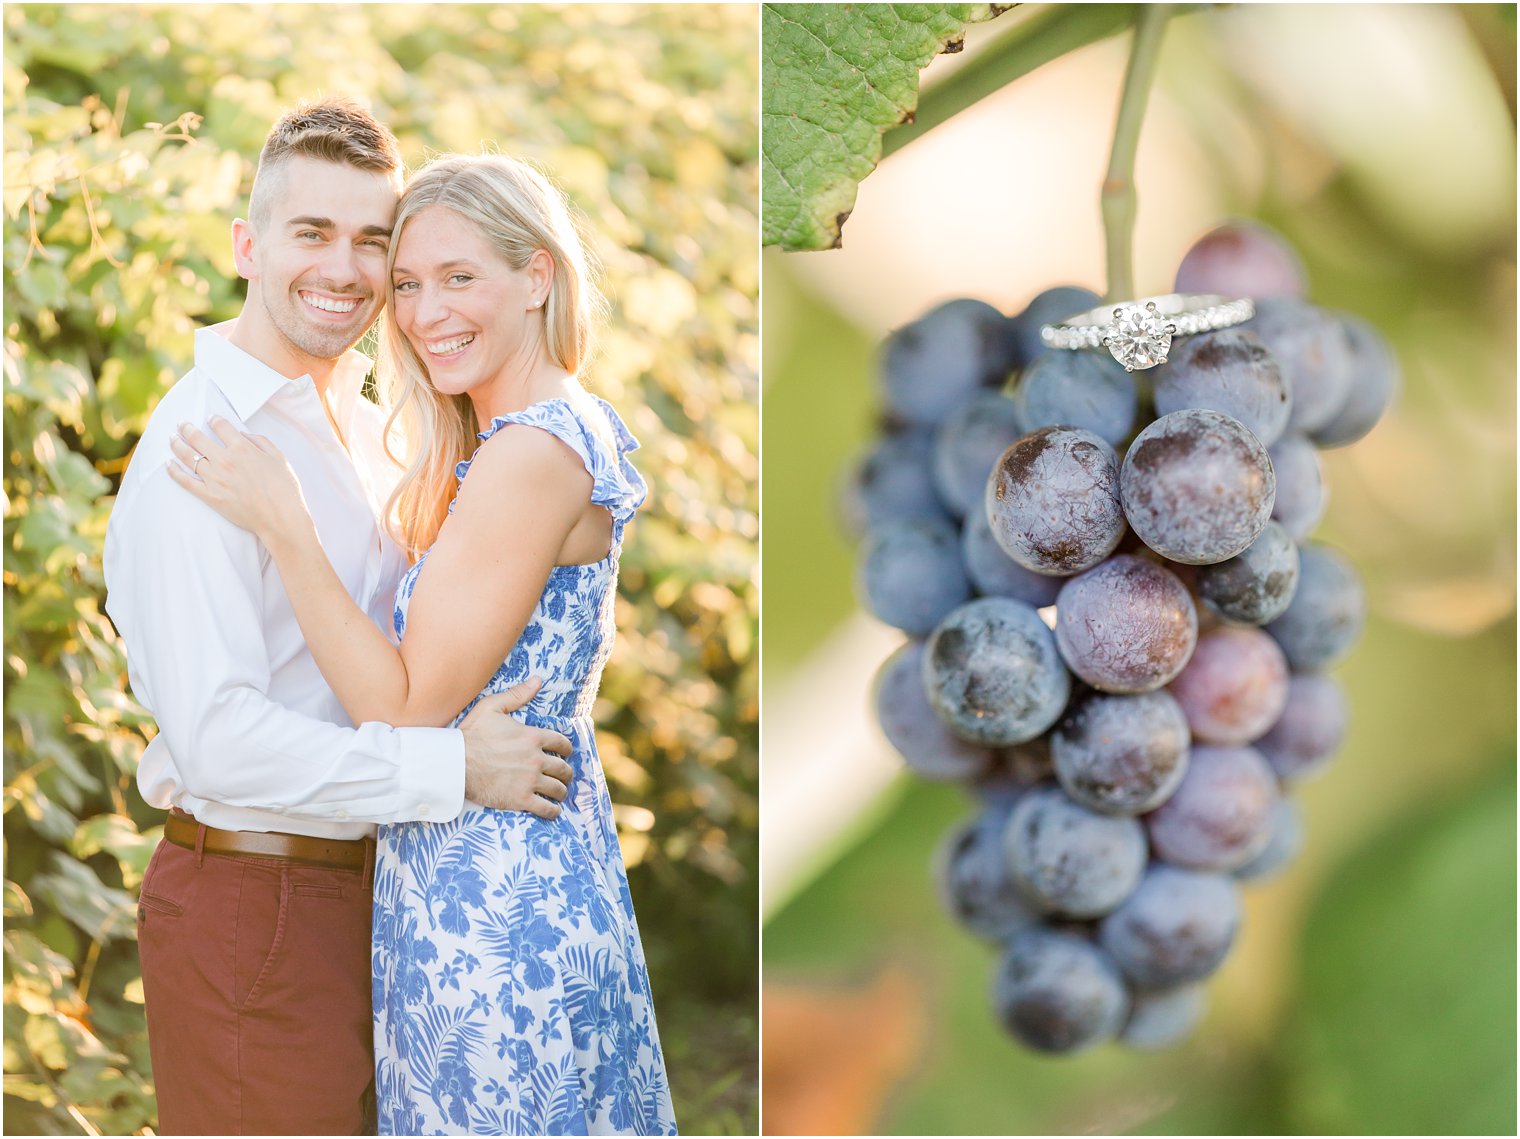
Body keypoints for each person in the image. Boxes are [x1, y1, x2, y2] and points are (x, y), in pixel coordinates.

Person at [167, 151, 678, 1135]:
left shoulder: (531, 450)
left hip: (495, 907)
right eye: (406, 284)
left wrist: (284, 524)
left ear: (538, 274)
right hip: (501, 871)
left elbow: (400, 706)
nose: (422, 310)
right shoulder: (543, 432)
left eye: (458, 276)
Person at [103, 99, 577, 1136]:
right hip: (252, 901)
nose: (346, 268)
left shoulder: (364, 431)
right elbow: (218, 741)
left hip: (371, 899)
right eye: (312, 232)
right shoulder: (202, 448)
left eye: (374, 241)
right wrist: (454, 771)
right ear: (247, 246)